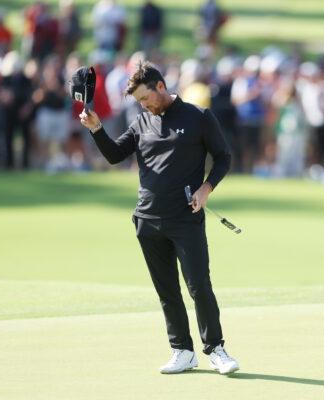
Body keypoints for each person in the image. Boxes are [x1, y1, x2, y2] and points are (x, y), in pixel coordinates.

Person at [79, 62, 239, 375]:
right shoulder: (141, 122)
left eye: (145, 98)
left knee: (199, 286)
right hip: (147, 219)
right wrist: (97, 128)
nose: (144, 105)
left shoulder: (198, 117)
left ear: (161, 87)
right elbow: (114, 155)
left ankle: (216, 349)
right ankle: (182, 350)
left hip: (185, 217)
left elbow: (223, 158)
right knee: (167, 291)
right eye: (139, 101)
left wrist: (207, 188)